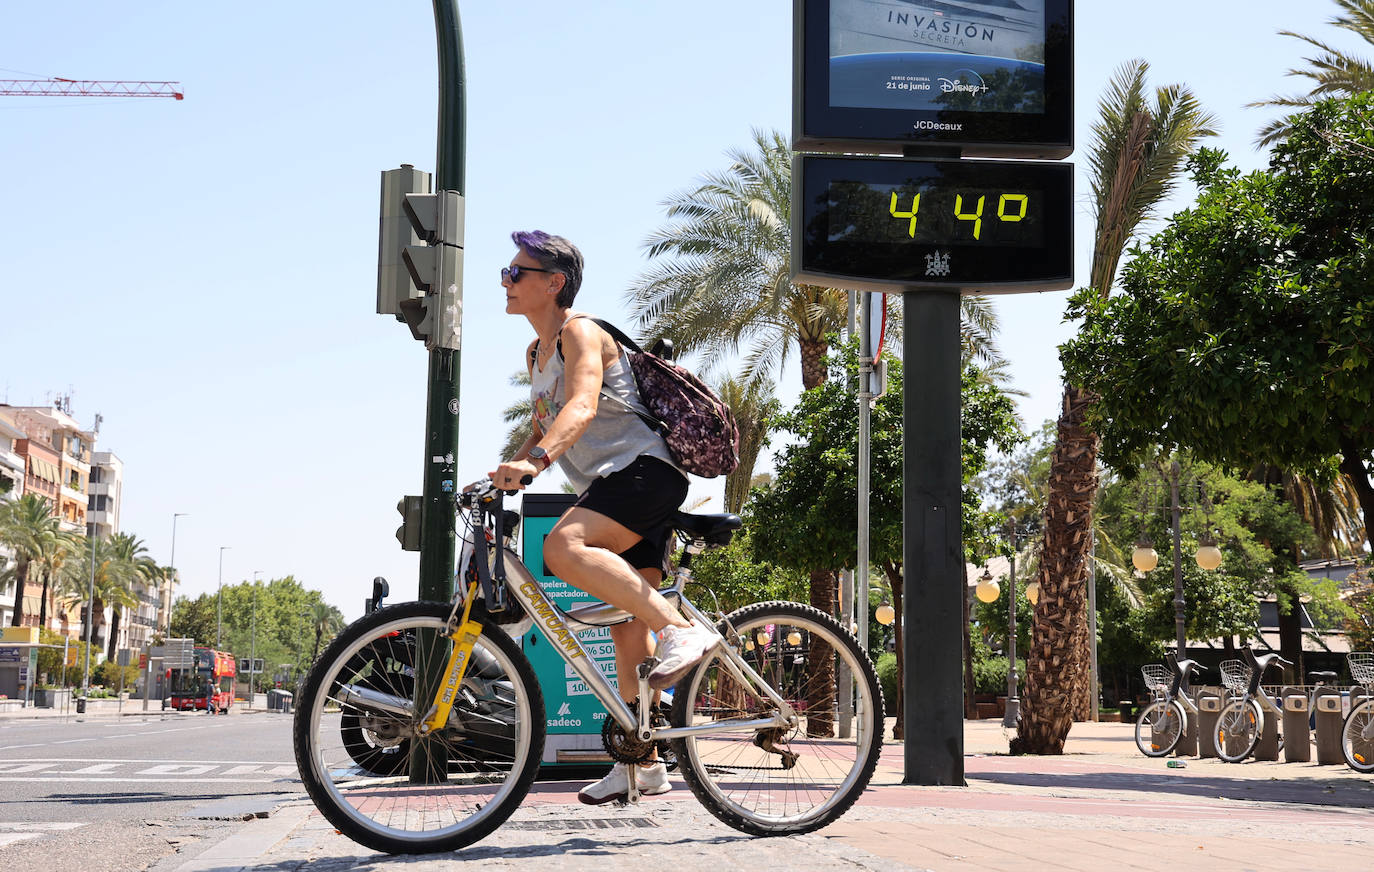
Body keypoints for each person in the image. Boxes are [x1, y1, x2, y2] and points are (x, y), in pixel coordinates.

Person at [490, 230, 718, 805]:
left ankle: (685, 631)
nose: (506, 281)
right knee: (625, 632)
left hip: (644, 475)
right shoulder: (536, 354)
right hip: (613, 486)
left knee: (562, 548)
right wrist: (507, 465)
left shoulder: (579, 332)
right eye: (507, 272)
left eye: (516, 272)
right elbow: (543, 426)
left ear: (553, 282)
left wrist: (538, 464)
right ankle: (643, 764)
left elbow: (583, 406)